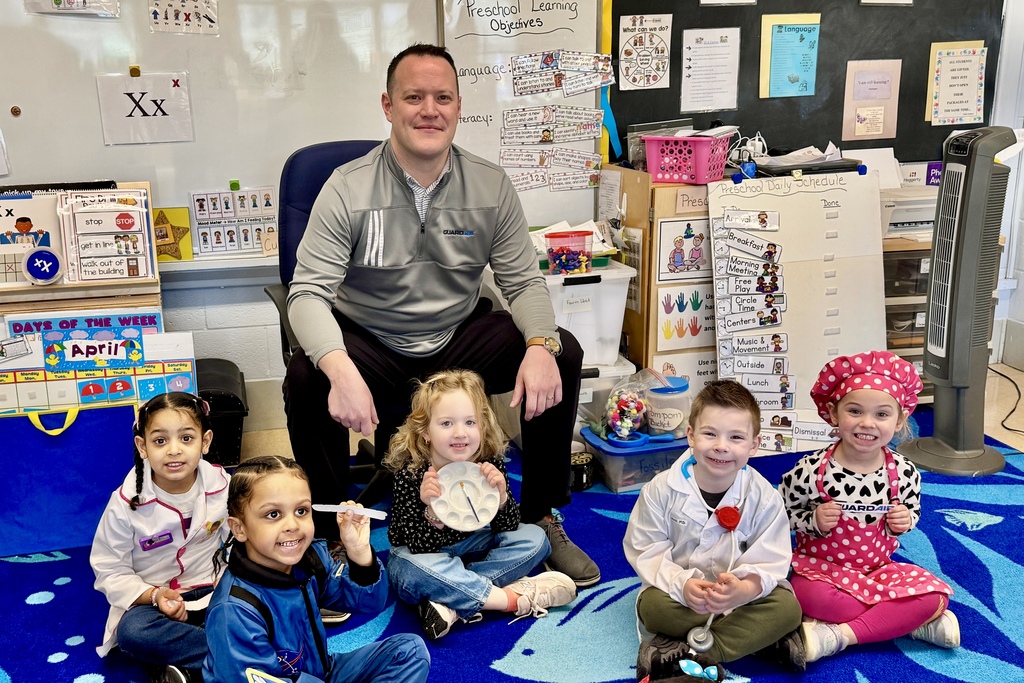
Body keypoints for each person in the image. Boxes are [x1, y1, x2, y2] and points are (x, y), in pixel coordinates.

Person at [283, 43, 597, 587]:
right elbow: (307, 293)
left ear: (457, 107)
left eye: (442, 97)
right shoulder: (347, 186)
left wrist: (541, 345)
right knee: (307, 375)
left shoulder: (490, 184)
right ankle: (336, 529)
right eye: (413, 97)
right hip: (372, 340)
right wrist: (339, 367)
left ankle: (543, 514)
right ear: (387, 105)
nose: (429, 109)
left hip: (458, 332)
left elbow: (522, 281)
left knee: (562, 351)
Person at [779, 351, 958, 664]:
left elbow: (913, 510)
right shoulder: (810, 470)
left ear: (901, 419)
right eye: (855, 410)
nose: (866, 423)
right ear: (834, 413)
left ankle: (837, 636)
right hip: (821, 573)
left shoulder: (903, 472)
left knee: (936, 596)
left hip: (877, 572)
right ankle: (906, 625)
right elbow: (780, 514)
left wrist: (903, 521)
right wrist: (813, 520)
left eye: (882, 414)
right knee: (804, 596)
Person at [624, 380, 803, 680]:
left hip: (741, 597)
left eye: (736, 437)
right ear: (691, 436)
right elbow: (645, 549)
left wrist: (744, 589)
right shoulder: (661, 489)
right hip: (680, 595)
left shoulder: (764, 497)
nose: (722, 446)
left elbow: (773, 558)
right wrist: (682, 585)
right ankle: (757, 643)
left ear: (754, 445)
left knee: (788, 609)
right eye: (710, 434)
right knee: (652, 607)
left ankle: (692, 655)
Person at [383, 370, 577, 640]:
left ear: (482, 426)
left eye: (470, 422)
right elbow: (417, 546)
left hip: (472, 543)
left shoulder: (487, 462)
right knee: (406, 570)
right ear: (425, 431)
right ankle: (510, 599)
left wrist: (501, 499)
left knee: (535, 539)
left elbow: (507, 526)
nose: (460, 433)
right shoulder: (412, 473)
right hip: (423, 554)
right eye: (447, 423)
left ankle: (449, 599)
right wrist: (430, 510)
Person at [203, 455, 430, 683]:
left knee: (409, 651)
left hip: (320, 671)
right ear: (239, 528)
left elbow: (369, 602)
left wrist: (359, 551)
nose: (292, 525)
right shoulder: (233, 612)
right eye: (273, 514)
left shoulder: (310, 559)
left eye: (301, 511)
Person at [90, 392, 228, 683]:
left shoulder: (224, 486)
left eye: (187, 438)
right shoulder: (125, 503)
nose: (174, 450)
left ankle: (183, 665)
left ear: (205, 442)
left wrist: (230, 573)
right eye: (160, 441)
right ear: (143, 446)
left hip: (215, 591)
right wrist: (153, 595)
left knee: (265, 595)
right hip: (154, 606)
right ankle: (231, 654)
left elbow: (239, 540)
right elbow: (108, 569)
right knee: (133, 633)